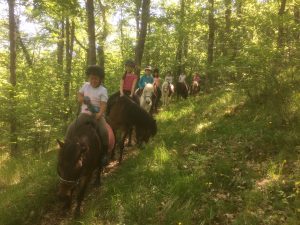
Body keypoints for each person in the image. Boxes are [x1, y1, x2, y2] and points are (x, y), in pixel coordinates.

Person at [65, 65, 109, 166]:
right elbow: (79, 96)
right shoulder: (85, 86)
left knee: (104, 131)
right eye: (92, 78)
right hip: (85, 114)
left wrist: (99, 114)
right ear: (89, 78)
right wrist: (82, 99)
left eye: (96, 78)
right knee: (71, 127)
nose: (94, 80)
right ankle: (66, 147)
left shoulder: (103, 90)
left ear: (100, 79)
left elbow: (103, 105)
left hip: (97, 115)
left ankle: (104, 154)